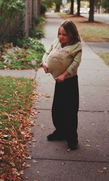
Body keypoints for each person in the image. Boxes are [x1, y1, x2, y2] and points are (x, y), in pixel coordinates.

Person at [41, 20, 82, 150]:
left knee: (69, 111)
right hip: (58, 82)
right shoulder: (57, 42)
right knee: (57, 110)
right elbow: (46, 53)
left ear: (71, 34)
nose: (61, 37)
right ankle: (60, 132)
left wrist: (64, 75)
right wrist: (44, 63)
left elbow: (75, 63)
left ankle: (72, 139)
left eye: (64, 34)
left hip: (69, 82)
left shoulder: (77, 47)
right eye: (59, 34)